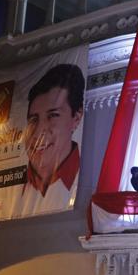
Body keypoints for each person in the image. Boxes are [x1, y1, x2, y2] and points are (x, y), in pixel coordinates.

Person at [17, 63, 85, 214]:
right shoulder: (12, 193)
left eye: (53, 115)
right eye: (33, 119)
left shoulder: (88, 179)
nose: (39, 132)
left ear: (77, 117)